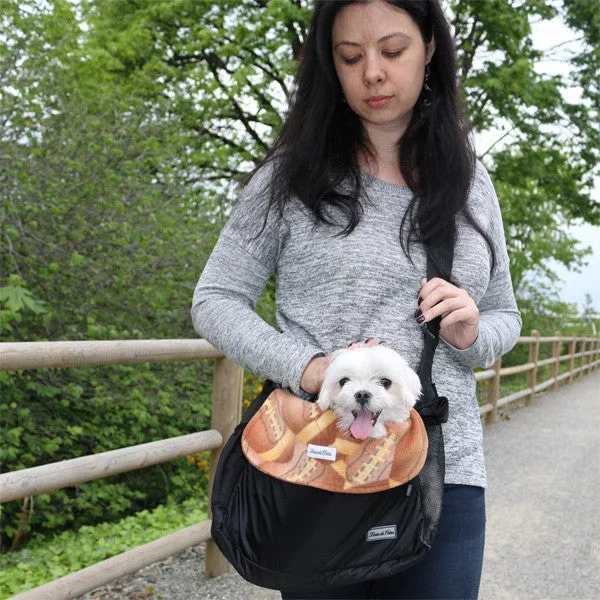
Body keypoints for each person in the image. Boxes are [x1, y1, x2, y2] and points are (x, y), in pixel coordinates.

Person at [192, 0, 521, 598]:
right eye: (351, 56)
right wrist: (310, 368)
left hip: (444, 471)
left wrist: (472, 333)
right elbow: (215, 299)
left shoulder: (472, 181)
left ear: (430, 51)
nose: (373, 72)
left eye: (393, 51)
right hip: (319, 460)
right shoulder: (291, 176)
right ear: (331, 67)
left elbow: (504, 315)